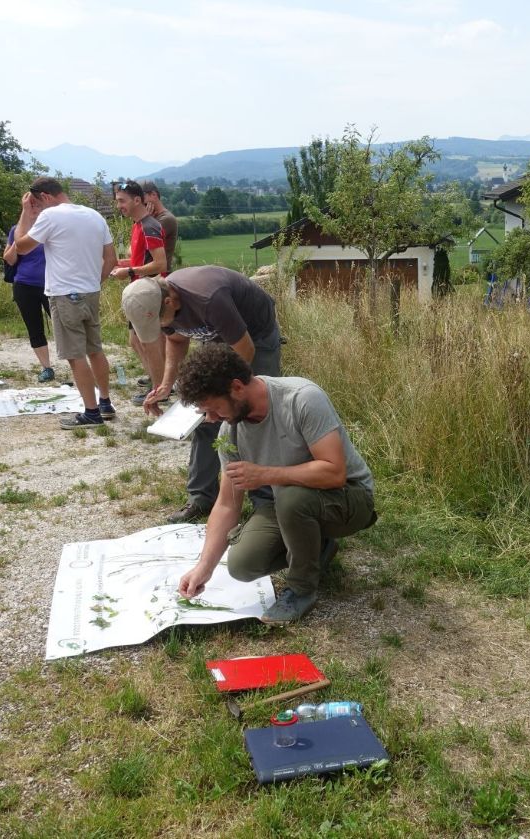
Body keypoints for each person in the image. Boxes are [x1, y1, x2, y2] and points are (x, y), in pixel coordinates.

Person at [175, 343, 375, 625]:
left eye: (214, 408)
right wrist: (203, 568)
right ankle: (317, 548)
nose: (212, 418)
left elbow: (334, 472)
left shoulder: (302, 398)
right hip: (286, 501)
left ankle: (301, 589)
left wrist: (266, 475)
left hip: (348, 498)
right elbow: (227, 504)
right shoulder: (229, 432)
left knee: (292, 499)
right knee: (242, 565)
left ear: (236, 387)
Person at [122, 267, 282, 523]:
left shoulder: (209, 299)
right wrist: (166, 384)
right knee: (204, 417)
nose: (162, 327)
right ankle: (201, 499)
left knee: (253, 413)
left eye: (160, 321)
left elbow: (245, 351)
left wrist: (222, 400)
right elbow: (176, 341)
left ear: (170, 301)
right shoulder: (158, 303)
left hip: (255, 337)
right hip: (218, 337)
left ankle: (266, 502)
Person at [13, 177, 119, 428]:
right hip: (90, 291)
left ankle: (90, 413)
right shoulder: (94, 216)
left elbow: (21, 246)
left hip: (64, 293)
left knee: (74, 354)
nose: (39, 208)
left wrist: (25, 214)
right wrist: (96, 281)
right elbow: (111, 258)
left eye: (38, 203)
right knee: (95, 348)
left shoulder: (51, 217)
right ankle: (105, 402)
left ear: (46, 197)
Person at [109, 181, 167, 401]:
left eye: (122, 201)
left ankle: (160, 388)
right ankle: (157, 383)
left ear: (136, 200)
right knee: (135, 341)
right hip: (138, 289)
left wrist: (130, 270)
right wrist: (122, 264)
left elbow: (160, 264)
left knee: (149, 342)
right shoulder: (137, 225)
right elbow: (143, 259)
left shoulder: (149, 226)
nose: (119, 206)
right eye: (117, 202)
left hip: (148, 293)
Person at [3, 225, 54, 382]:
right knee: (34, 328)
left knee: (66, 325)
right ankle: (46, 368)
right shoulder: (17, 230)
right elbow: (9, 259)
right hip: (24, 284)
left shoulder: (52, 226)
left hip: (53, 284)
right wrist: (18, 242)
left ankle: (80, 364)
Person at [140, 180, 177, 273]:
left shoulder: (166, 219)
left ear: (153, 194)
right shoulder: (151, 218)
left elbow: (137, 248)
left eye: (141, 197)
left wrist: (145, 220)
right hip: (148, 275)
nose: (138, 202)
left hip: (159, 278)